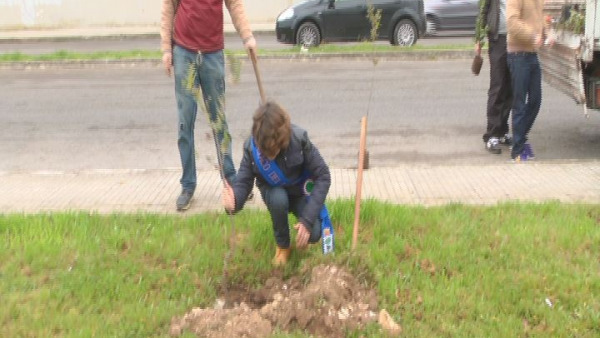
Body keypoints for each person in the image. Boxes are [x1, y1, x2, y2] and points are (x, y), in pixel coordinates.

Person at [160, 0, 257, 211]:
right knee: (185, 124)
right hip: (184, 53)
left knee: (219, 123)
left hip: (212, 55)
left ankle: (231, 181)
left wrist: (247, 36)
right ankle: (188, 186)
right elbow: (169, 7)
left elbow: (235, 4)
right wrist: (167, 49)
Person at [222, 101, 331, 266]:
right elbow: (243, 182)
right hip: (273, 191)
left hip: (298, 193)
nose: (267, 154)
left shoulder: (299, 139)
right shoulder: (251, 148)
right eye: (264, 149)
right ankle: (283, 246)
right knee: (279, 199)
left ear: (283, 138)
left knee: (315, 232)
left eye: (272, 149)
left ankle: (302, 230)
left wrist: (307, 221)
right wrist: (233, 202)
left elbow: (323, 175)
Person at [506, 0, 551, 162]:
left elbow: (539, 20)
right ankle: (517, 153)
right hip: (518, 56)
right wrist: (533, 36)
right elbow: (512, 23)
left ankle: (519, 140)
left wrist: (547, 34)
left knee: (535, 101)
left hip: (532, 55)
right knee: (519, 104)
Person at [476, 0, 513, 154]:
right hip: (498, 39)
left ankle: (503, 131)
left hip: (515, 40)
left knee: (510, 88)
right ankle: (491, 134)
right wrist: (479, 39)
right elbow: (483, 11)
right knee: (497, 87)